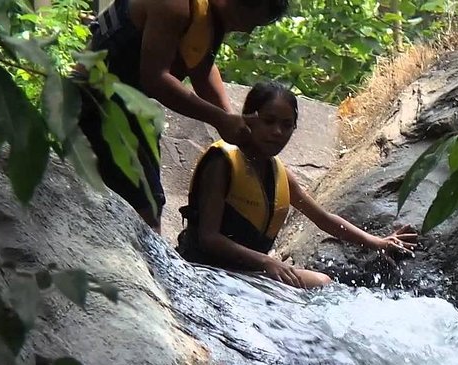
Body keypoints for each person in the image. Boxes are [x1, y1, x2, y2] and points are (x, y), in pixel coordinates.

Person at [176, 82, 418, 288]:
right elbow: (208, 238)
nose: (277, 132)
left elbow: (323, 219)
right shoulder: (222, 163)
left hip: (247, 272)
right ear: (249, 119)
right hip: (203, 267)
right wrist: (266, 261)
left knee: (322, 283)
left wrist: (377, 242)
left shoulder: (278, 173)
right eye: (269, 121)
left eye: (286, 125)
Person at [76, 0, 289, 233]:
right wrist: (218, 118)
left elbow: (201, 67)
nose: (248, 31)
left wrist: (232, 120)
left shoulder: (212, 17)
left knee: (150, 206)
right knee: (145, 211)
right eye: (250, 22)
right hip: (93, 102)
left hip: (130, 106)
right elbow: (155, 79)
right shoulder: (174, 5)